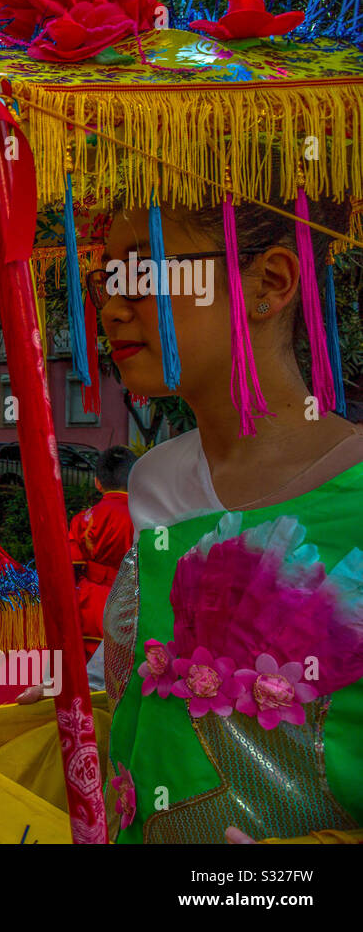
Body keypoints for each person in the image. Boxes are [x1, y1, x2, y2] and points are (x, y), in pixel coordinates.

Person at [91, 184, 363, 843]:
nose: (111, 307)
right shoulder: (154, 482)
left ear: (269, 282)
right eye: (105, 279)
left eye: (143, 271)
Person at [67, 445, 136, 660]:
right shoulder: (146, 520)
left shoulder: (82, 519)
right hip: (131, 604)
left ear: (98, 482)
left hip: (89, 605)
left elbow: (71, 567)